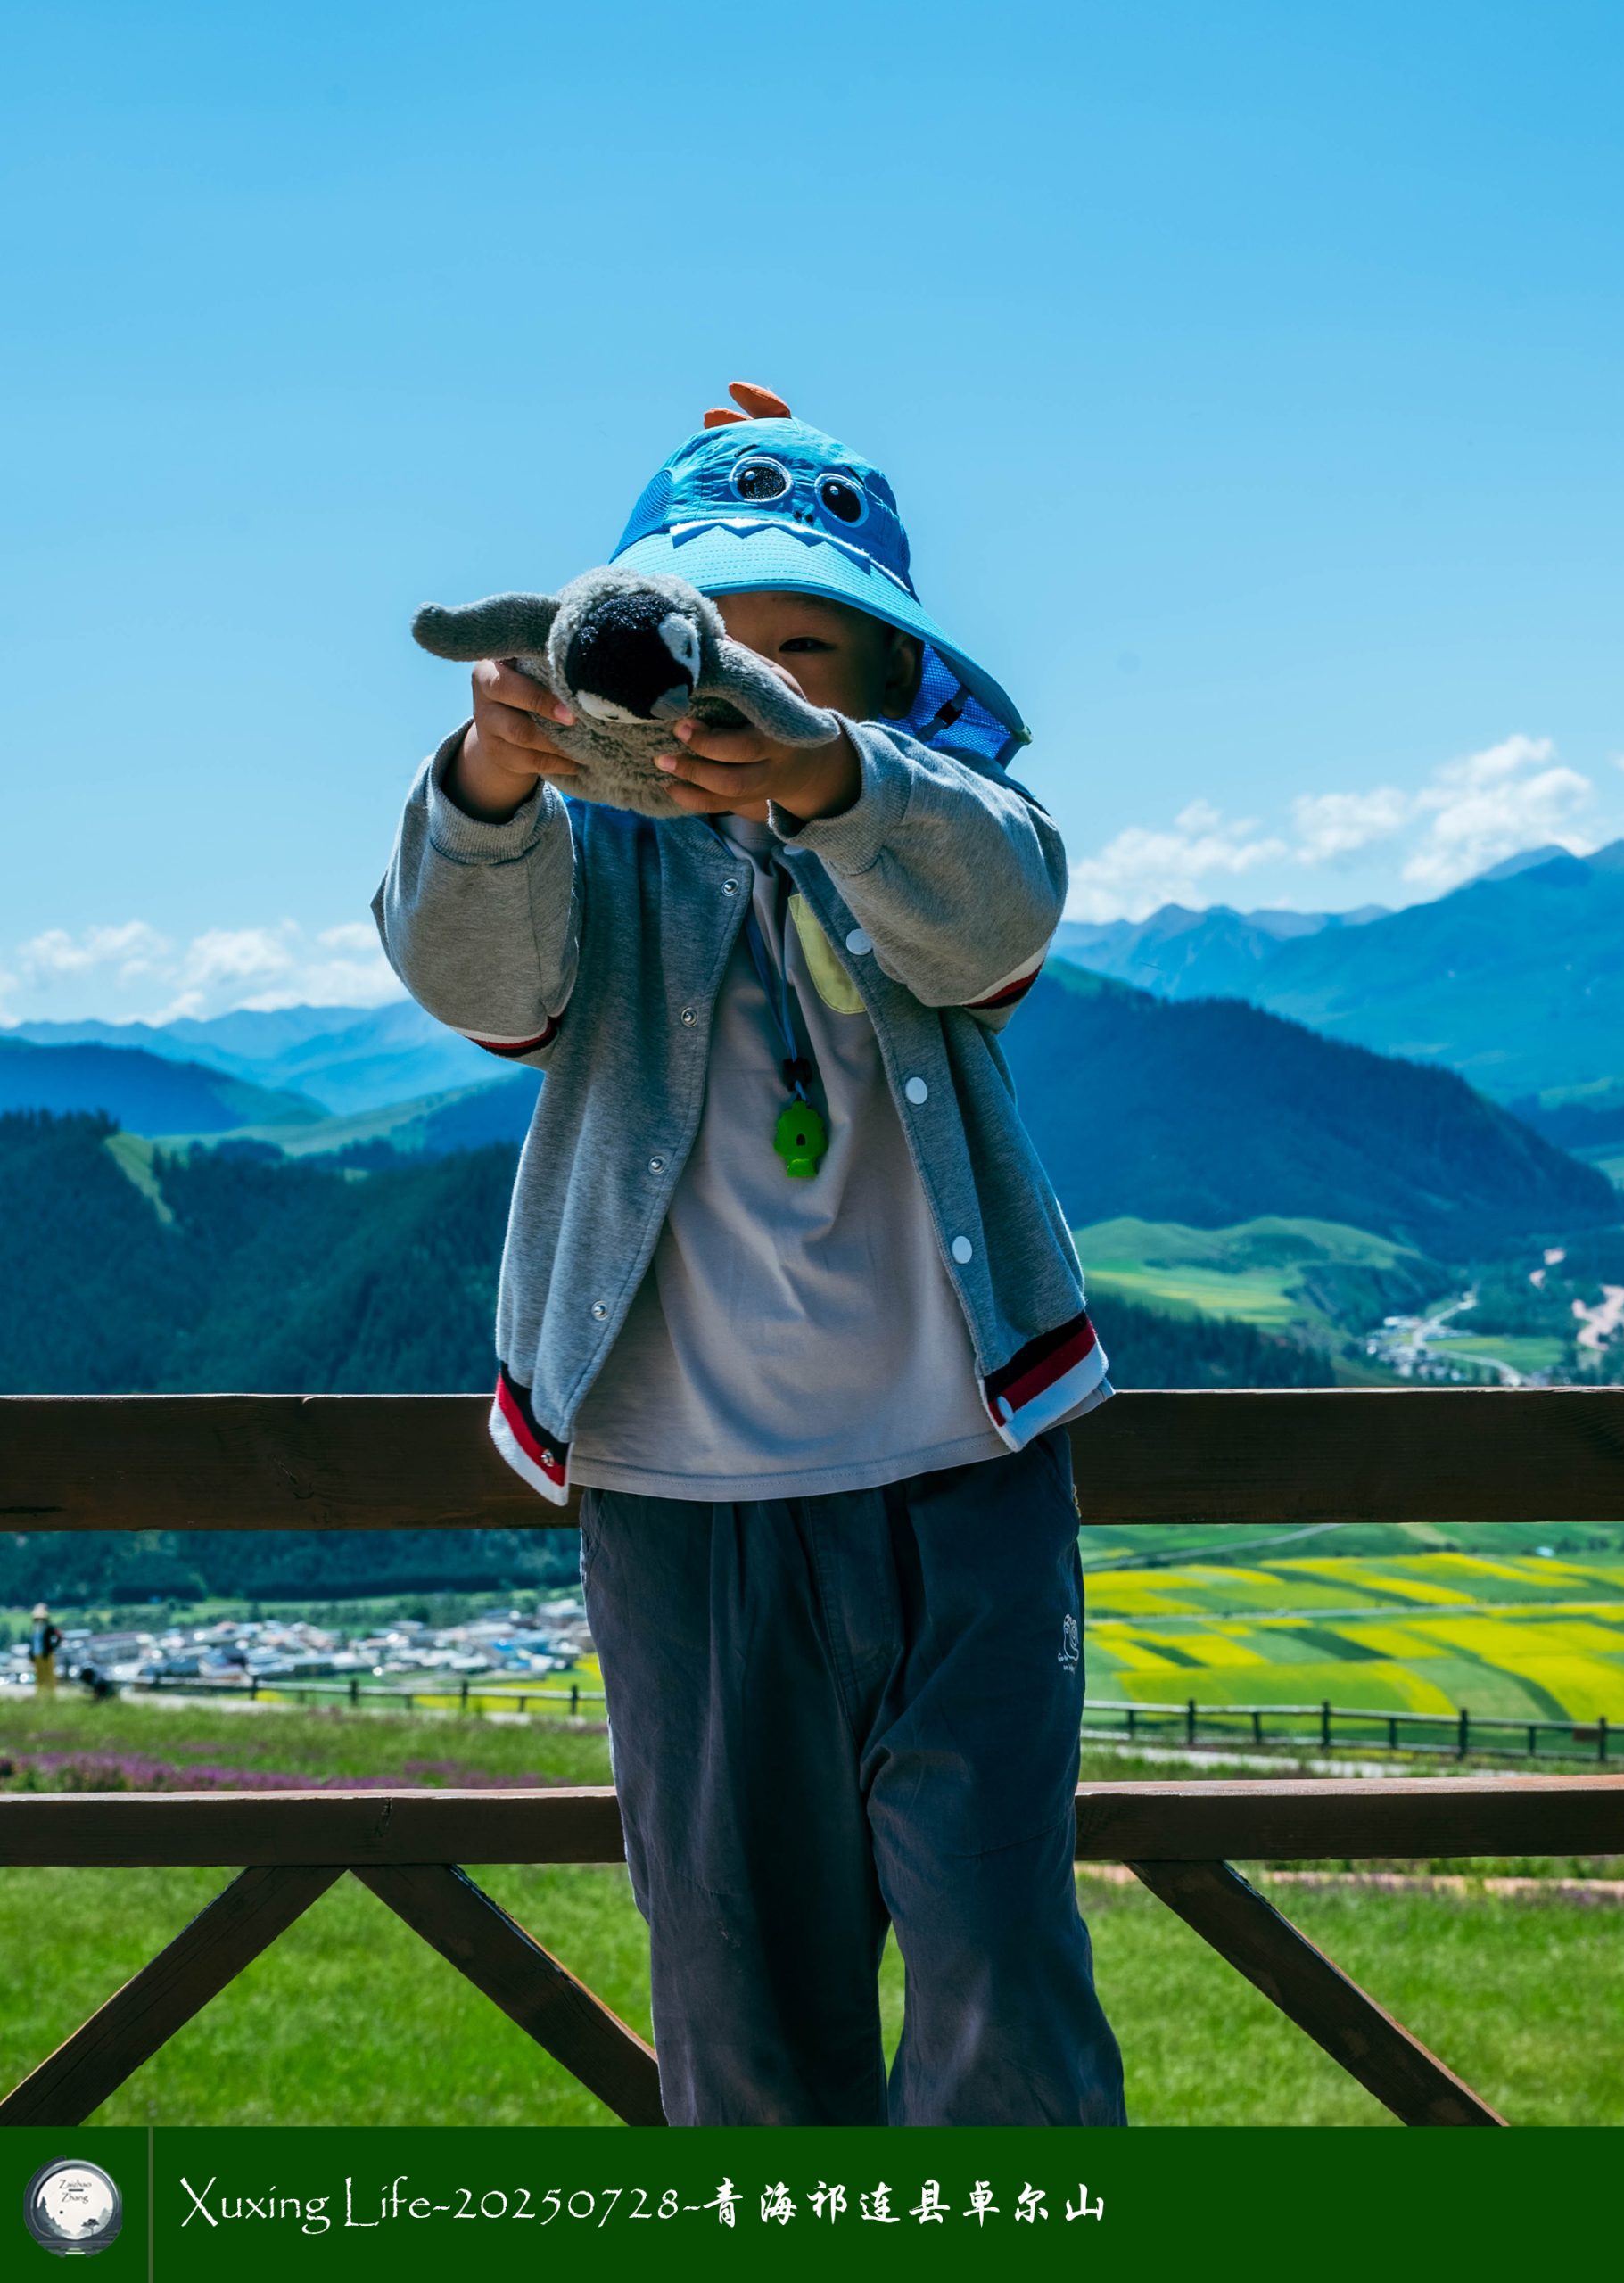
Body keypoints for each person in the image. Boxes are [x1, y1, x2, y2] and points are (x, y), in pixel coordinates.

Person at [375, 385, 1126, 2128]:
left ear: (878, 682)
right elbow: (477, 977)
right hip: (681, 1499)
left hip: (970, 1474)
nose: (755, 683)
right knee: (746, 2015)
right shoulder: (595, 856)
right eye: (721, 642)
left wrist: (827, 783)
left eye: (809, 650)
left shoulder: (929, 823)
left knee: (1005, 1975)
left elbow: (1002, 909)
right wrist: (493, 771)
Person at [28, 1603, 61, 1694]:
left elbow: (59, 1636)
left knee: (49, 1675)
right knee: (39, 1676)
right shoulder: (34, 1628)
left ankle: (50, 1694)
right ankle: (40, 1694)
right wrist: (31, 1654)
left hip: (47, 1655)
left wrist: (53, 1647)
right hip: (37, 1655)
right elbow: (32, 1642)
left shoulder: (49, 1627)